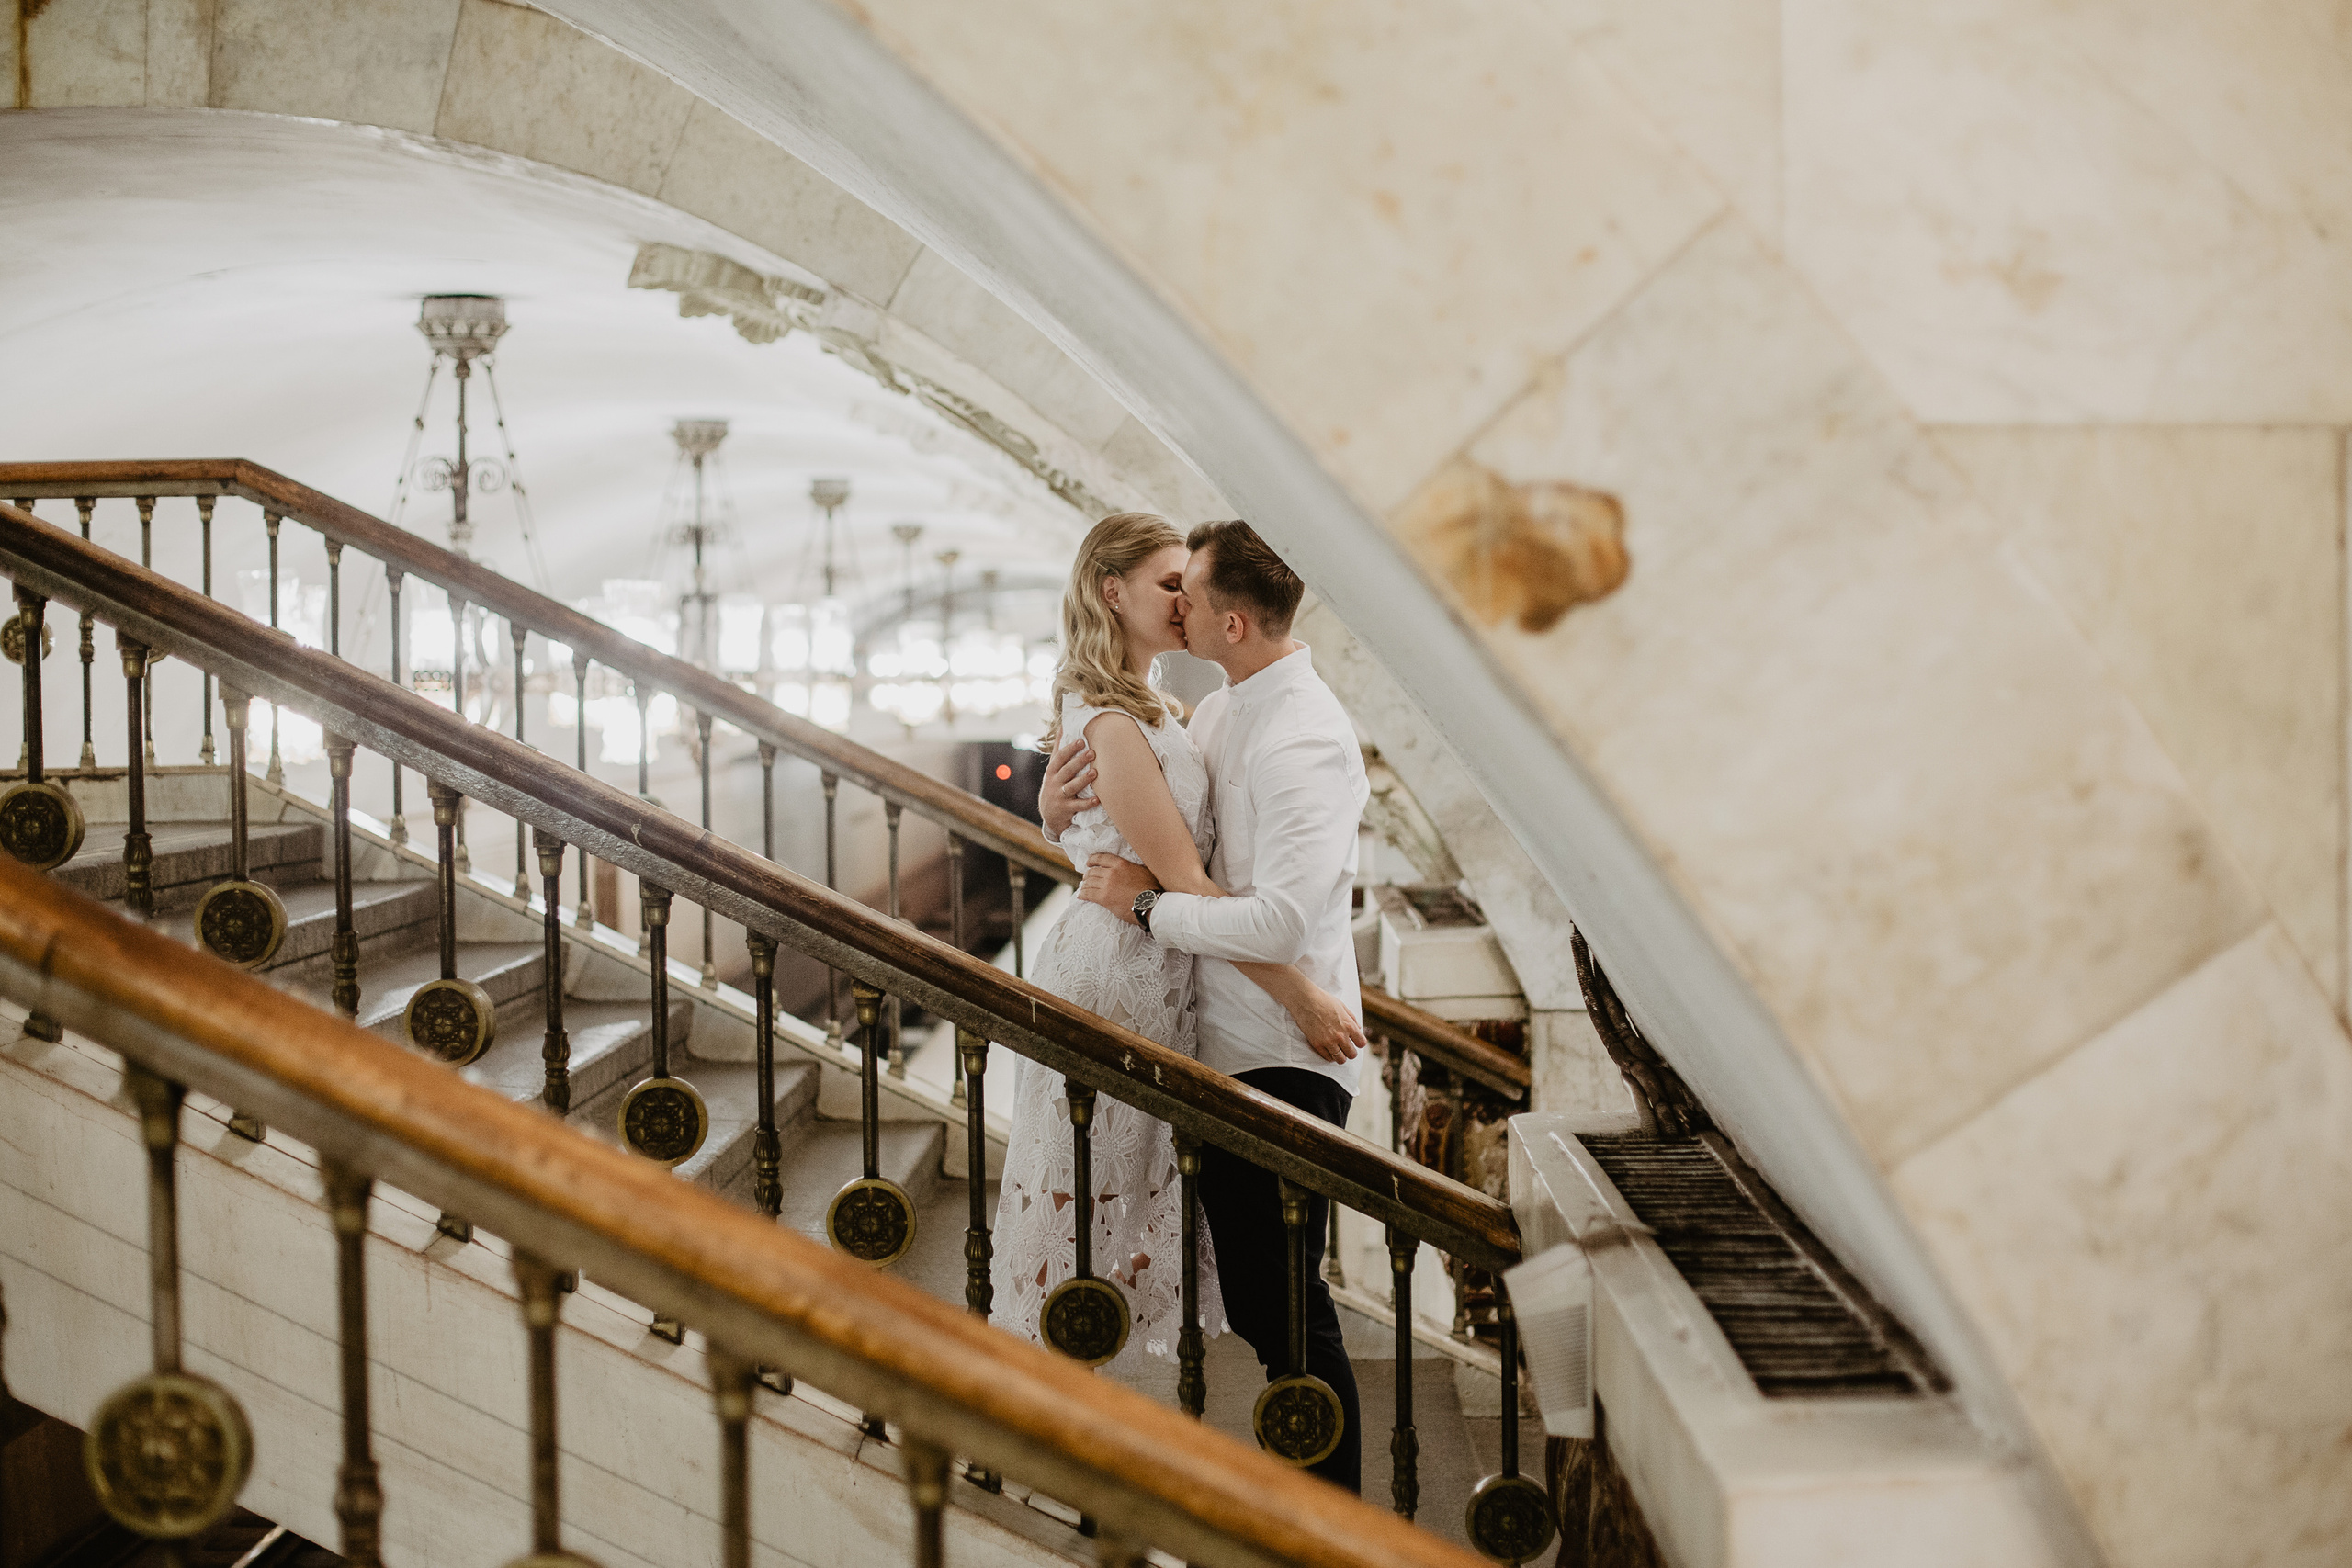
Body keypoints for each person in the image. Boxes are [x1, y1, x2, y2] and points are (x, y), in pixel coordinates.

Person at [1041, 519, 1372, 1493]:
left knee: (1284, 1312)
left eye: (1188, 590)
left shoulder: (1302, 736)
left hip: (1280, 1050)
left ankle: (1333, 1527)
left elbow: (1269, 924)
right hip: (1217, 1034)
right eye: (1165, 584)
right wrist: (1058, 817)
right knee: (1267, 1309)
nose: (1175, 603)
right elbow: (1136, 823)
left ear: (1229, 621)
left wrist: (1144, 903)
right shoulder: (1222, 707)